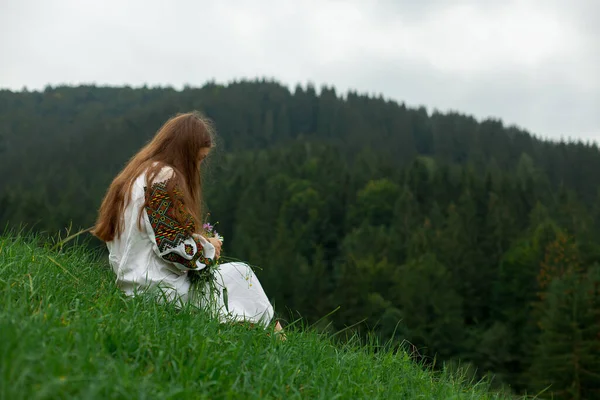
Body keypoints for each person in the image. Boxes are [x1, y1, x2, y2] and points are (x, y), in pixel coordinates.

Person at [92, 112, 281, 333]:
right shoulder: (162, 178)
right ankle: (278, 339)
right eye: (198, 159)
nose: (198, 167)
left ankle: (261, 334)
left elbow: (157, 237)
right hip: (157, 290)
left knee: (236, 278)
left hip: (133, 284)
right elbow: (172, 249)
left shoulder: (135, 175)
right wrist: (208, 248)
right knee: (242, 274)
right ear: (185, 153)